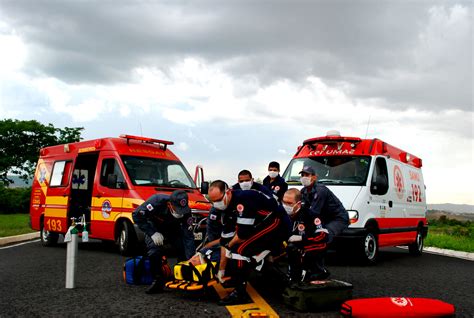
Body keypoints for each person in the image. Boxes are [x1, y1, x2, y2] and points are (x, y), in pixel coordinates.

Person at [208, 180, 282, 306]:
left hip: (276, 222)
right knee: (235, 250)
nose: (216, 204)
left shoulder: (243, 200)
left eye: (218, 200)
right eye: (213, 201)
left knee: (240, 251)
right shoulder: (225, 209)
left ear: (228, 192)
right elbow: (225, 240)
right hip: (259, 224)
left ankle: (240, 293)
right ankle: (272, 278)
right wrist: (221, 270)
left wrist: (229, 247)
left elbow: (242, 236)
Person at [132, 190, 195, 294]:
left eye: (182, 210)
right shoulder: (157, 201)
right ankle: (157, 280)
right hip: (154, 227)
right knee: (154, 251)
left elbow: (188, 237)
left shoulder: (186, 211)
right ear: (170, 204)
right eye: (178, 210)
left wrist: (191, 262)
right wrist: (152, 233)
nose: (181, 213)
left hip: (172, 228)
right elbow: (136, 215)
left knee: (183, 247)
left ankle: (182, 275)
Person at [293, 166, 349, 282]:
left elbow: (313, 212)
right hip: (323, 218)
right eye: (302, 175)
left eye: (307, 175)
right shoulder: (303, 191)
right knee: (310, 236)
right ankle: (314, 269)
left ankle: (319, 271)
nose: (304, 178)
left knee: (322, 237)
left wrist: (300, 210)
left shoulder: (320, 190)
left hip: (337, 219)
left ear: (314, 177)